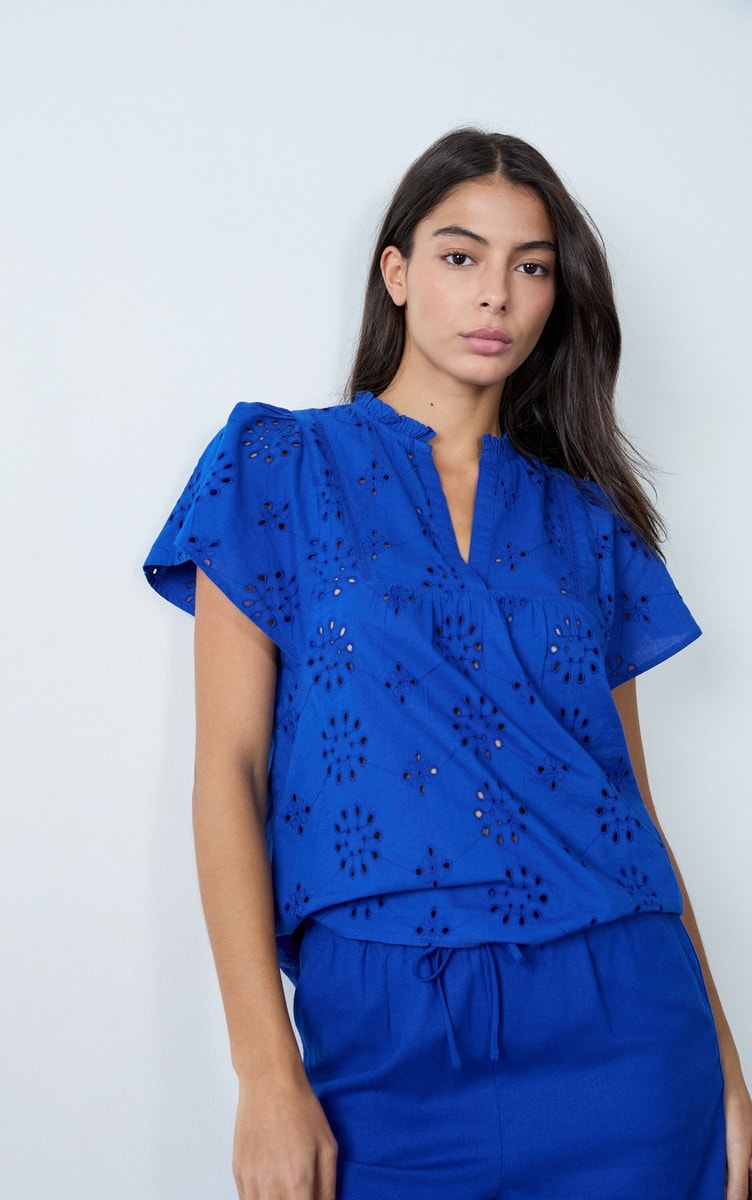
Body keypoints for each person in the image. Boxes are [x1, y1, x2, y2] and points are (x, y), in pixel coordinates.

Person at [144, 129, 752, 1199]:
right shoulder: (276, 468)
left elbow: (632, 804)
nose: (495, 295)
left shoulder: (585, 522)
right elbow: (227, 773)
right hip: (381, 1035)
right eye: (460, 255)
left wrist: (726, 1066)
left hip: (625, 1022)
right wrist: (264, 1073)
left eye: (531, 267)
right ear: (395, 272)